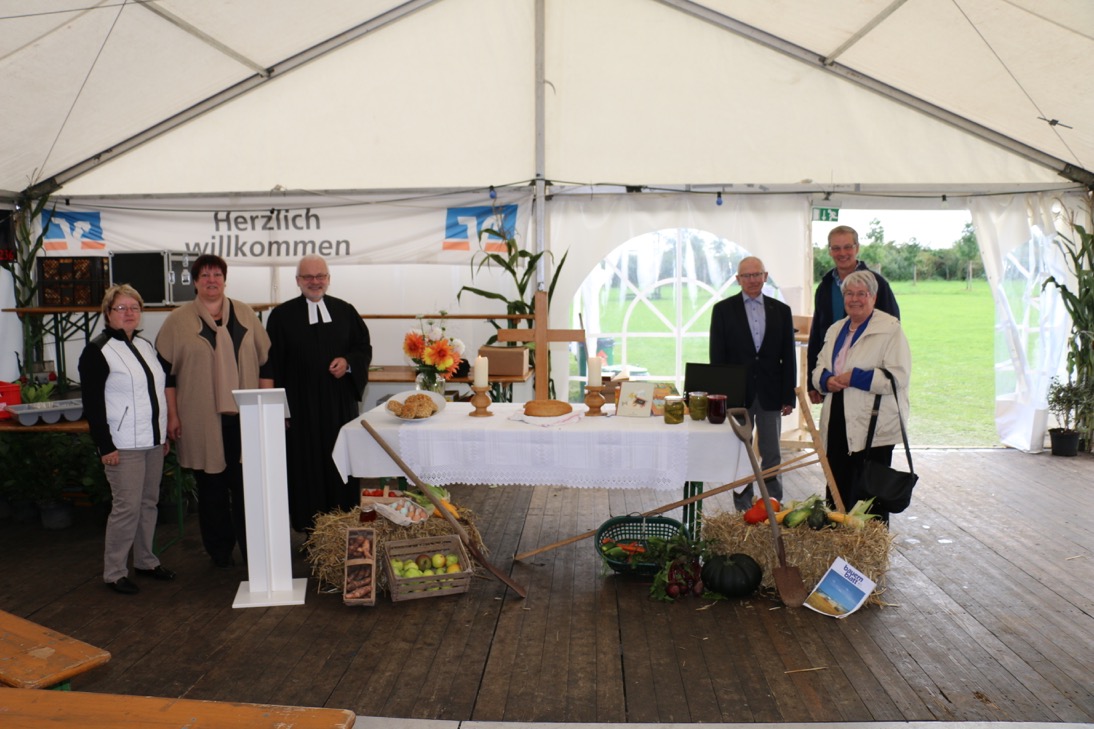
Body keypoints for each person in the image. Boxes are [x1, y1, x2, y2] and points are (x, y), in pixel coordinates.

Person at [155, 254, 271, 568]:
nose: (211, 280)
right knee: (211, 489)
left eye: (217, 274)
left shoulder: (245, 314)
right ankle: (219, 552)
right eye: (204, 275)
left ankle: (254, 552)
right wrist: (172, 415)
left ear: (224, 280)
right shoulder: (178, 321)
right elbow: (166, 374)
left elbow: (266, 362)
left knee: (248, 487)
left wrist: (265, 408)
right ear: (195, 282)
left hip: (245, 418)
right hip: (200, 418)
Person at [261, 254, 372, 532]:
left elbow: (363, 348)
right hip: (300, 408)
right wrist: (278, 410)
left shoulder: (345, 311)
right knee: (304, 468)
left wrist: (348, 363)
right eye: (308, 277)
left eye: (320, 276)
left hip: (339, 407)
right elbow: (271, 364)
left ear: (328, 279)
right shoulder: (281, 316)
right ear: (298, 281)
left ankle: (343, 527)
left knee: (339, 465)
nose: (315, 281)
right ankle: (310, 532)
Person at [78, 284, 174, 595]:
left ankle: (146, 561)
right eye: (121, 308)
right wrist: (105, 445)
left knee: (148, 504)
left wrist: (161, 435)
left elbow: (155, 393)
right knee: (127, 508)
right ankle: (115, 572)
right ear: (108, 313)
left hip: (152, 442)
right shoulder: (97, 351)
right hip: (122, 445)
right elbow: (92, 404)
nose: (129, 313)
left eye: (134, 307)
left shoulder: (145, 346)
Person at [812, 269, 911, 523]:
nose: (854, 299)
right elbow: (819, 368)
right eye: (849, 293)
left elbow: (898, 377)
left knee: (869, 496)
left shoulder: (890, 329)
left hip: (873, 426)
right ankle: (838, 542)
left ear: (873, 298)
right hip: (837, 421)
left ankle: (868, 547)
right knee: (837, 491)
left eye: (861, 294)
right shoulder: (836, 329)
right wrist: (826, 380)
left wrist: (853, 378)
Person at [709, 256, 796, 511]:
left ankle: (773, 505)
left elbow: (788, 357)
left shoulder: (781, 311)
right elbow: (717, 357)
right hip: (738, 395)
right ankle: (743, 507)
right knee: (741, 453)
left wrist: (788, 396)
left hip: (771, 393)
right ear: (738, 279)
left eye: (757, 274)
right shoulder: (723, 310)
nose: (752, 280)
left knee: (772, 453)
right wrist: (722, 397)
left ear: (765, 276)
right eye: (747, 276)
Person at [807, 225, 900, 405]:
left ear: (857, 248)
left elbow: (891, 330)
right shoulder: (825, 287)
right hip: (832, 380)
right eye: (836, 248)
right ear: (830, 251)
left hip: (866, 382)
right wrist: (813, 380)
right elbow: (817, 334)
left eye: (847, 247)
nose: (842, 253)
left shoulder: (878, 284)